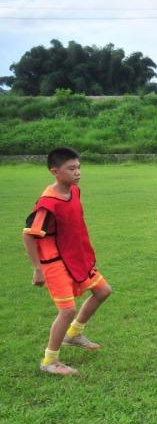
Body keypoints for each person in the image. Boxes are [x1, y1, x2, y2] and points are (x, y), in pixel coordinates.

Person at [23, 148, 113, 375]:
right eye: (71, 169)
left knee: (103, 291)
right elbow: (28, 235)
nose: (78, 172)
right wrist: (37, 269)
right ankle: (49, 361)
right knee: (67, 310)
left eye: (79, 167)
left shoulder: (74, 191)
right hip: (55, 262)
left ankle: (73, 334)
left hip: (76, 257)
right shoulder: (47, 203)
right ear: (55, 172)